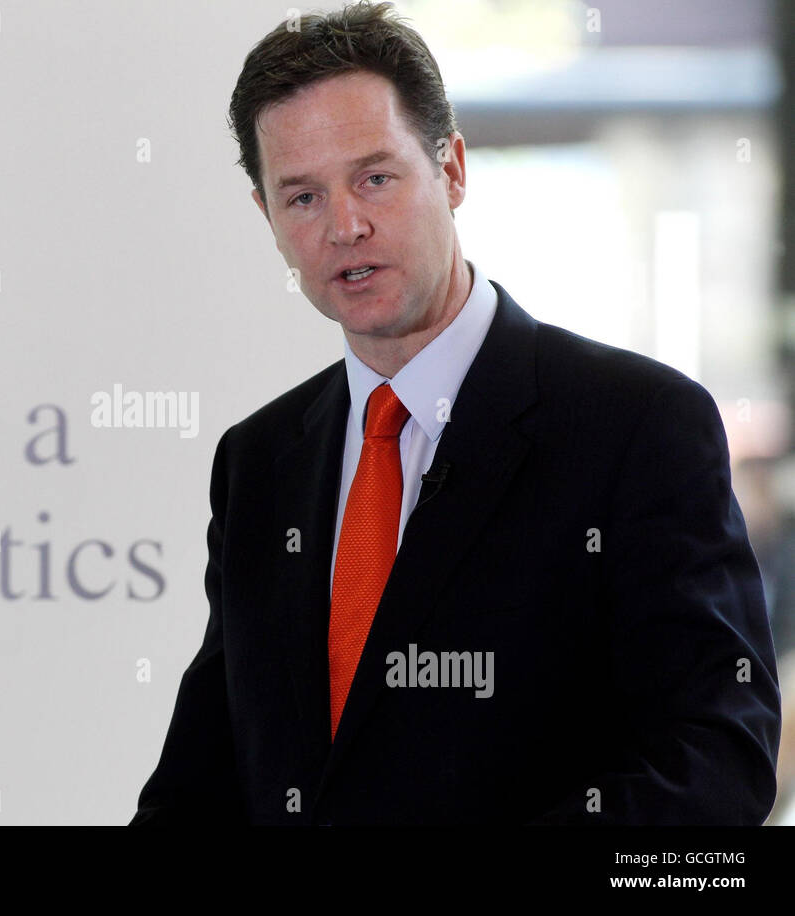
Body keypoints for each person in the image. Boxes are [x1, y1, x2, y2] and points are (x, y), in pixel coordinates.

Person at [130, 1, 781, 825]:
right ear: (268, 218)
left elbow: (717, 757)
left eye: (375, 177)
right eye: (303, 197)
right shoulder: (259, 461)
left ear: (453, 170)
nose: (346, 225)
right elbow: (202, 782)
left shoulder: (637, 425)